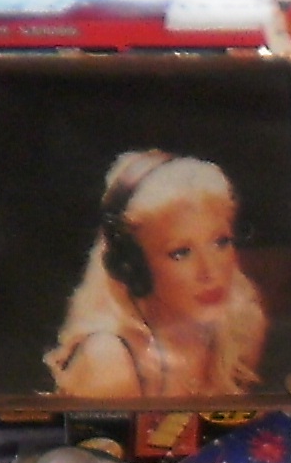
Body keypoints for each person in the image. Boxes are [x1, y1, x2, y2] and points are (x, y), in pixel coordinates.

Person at [49, 148, 272, 400]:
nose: (210, 271)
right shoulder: (109, 363)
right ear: (132, 265)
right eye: (180, 253)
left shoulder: (238, 331)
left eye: (220, 242)